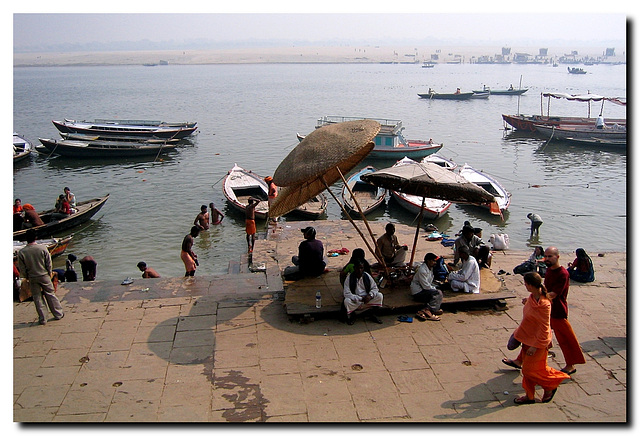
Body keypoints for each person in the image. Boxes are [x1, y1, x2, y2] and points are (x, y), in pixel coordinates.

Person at [503, 247, 586, 375]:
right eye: (546, 256)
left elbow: (553, 294)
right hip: (544, 310)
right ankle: (520, 360)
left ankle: (570, 365)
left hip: (557, 311)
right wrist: (533, 298)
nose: (547, 259)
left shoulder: (563, 274)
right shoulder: (548, 271)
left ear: (557, 257)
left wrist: (535, 300)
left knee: (566, 339)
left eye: (550, 256)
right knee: (530, 333)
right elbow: (545, 289)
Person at [511, 272, 571, 405]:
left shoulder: (545, 304)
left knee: (529, 370)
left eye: (525, 283)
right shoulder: (532, 298)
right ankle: (529, 396)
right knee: (530, 370)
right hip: (527, 338)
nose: (525, 286)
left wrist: (535, 345)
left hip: (538, 343)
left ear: (530, 285)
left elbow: (544, 328)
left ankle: (551, 385)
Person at [17, 229, 64, 325]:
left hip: (32, 277)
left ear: (26, 239)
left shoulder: (22, 252)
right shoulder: (42, 248)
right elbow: (48, 263)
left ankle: (43, 318)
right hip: (44, 275)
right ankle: (58, 314)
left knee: (37, 297)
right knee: (50, 294)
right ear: (36, 237)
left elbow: (22, 268)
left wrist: (26, 277)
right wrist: (49, 272)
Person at [342, 260, 384, 325]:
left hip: (367, 300)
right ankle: (353, 316)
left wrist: (370, 296)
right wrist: (360, 298)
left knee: (379, 295)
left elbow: (375, 288)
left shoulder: (367, 276)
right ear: (354, 268)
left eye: (361, 268)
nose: (359, 270)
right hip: (356, 301)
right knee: (347, 301)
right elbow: (347, 293)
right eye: (357, 268)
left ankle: (373, 315)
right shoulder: (349, 278)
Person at [410, 253, 443, 321]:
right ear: (428, 261)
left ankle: (432, 309)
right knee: (438, 293)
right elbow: (426, 286)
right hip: (418, 293)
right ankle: (427, 310)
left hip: (424, 290)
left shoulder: (430, 269)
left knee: (438, 293)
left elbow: (429, 282)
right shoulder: (422, 270)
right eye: (433, 261)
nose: (435, 263)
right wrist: (435, 289)